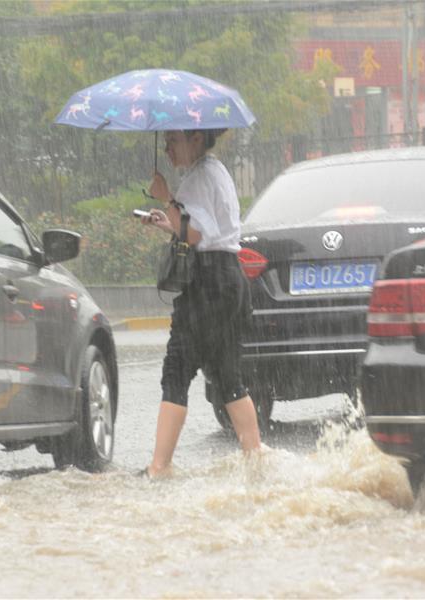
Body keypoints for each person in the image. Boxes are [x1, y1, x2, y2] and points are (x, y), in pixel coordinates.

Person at [139, 128, 262, 478]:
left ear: (196, 138)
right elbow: (203, 231)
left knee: (176, 370)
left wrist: (166, 198)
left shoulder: (196, 179)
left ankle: (159, 467)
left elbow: (193, 235)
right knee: (227, 375)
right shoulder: (215, 171)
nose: (167, 148)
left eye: (174, 140)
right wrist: (169, 222)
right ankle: (255, 459)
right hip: (229, 279)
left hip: (207, 283)